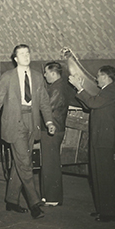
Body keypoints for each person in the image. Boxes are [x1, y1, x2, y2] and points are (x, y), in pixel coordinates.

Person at [0, 44, 56, 219]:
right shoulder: (7, 77)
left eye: (27, 53)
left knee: (20, 162)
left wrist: (49, 121)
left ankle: (11, 200)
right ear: (15, 59)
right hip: (14, 123)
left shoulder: (38, 77)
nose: (26, 56)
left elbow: (44, 102)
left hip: (33, 121)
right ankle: (35, 203)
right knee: (25, 163)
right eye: (22, 54)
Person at [70, 65, 115, 222]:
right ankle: (102, 209)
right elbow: (90, 105)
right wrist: (80, 90)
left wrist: (80, 87)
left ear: (105, 76)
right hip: (99, 139)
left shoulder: (110, 91)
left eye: (98, 76)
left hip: (103, 140)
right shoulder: (105, 92)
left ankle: (109, 212)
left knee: (104, 176)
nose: (96, 78)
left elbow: (92, 104)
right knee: (98, 175)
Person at [39, 61, 71, 207]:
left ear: (53, 73)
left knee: (51, 163)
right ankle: (47, 194)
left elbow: (47, 108)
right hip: (51, 129)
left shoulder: (57, 88)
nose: (44, 75)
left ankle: (53, 197)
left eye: (46, 72)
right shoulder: (56, 86)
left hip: (53, 130)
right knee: (47, 162)